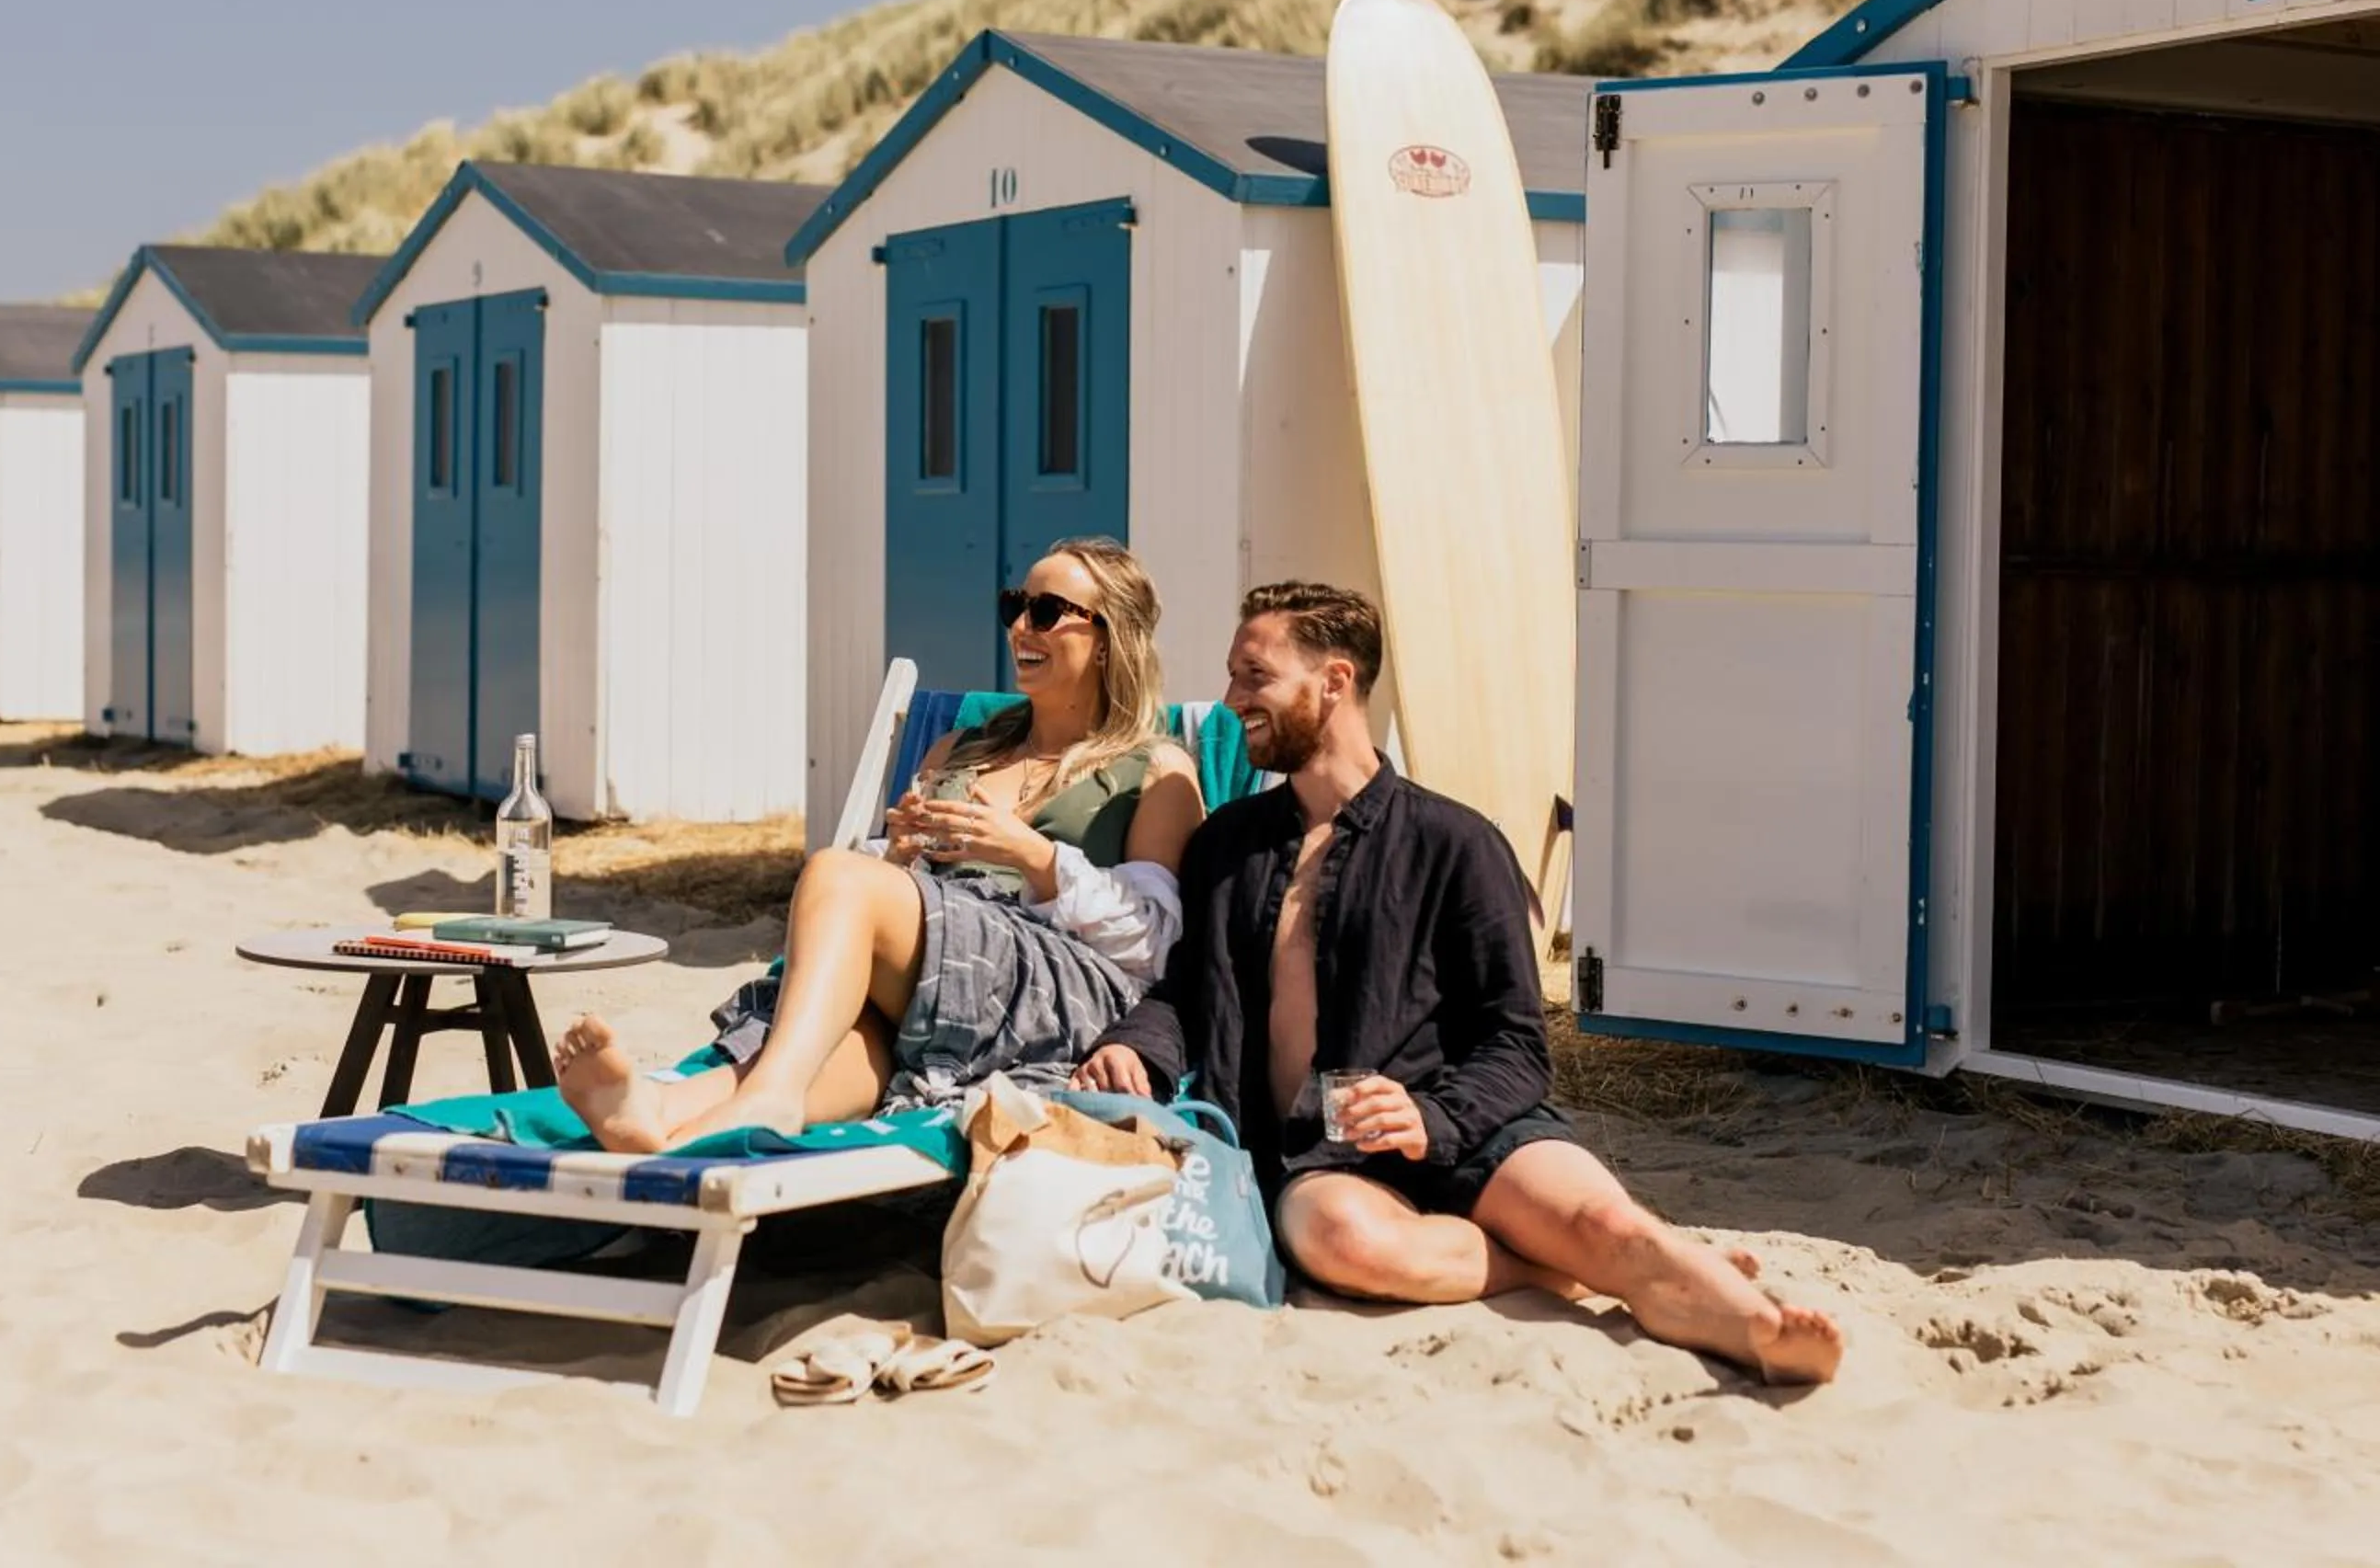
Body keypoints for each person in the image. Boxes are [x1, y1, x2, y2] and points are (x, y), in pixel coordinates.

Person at [1073, 581, 1844, 1385]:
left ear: (1334, 682)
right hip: (1322, 1156)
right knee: (1345, 1245)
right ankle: (1561, 1272)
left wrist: (1430, 1116)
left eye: (1254, 676)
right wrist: (1136, 1047)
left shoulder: (1456, 842)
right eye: (1234, 676)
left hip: (1469, 1121)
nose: (1232, 700)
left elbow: (1518, 1044)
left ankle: (1754, 1327)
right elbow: (1189, 990)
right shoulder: (1227, 845)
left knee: (1606, 1221)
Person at [555, 537, 1207, 1152]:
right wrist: (898, 856)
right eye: (1015, 606)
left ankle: (769, 1098)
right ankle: (664, 1112)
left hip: (1062, 991)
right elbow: (899, 890)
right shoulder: (960, 748)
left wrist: (1035, 857)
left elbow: (1156, 947)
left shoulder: (1153, 769)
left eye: (1045, 612)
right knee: (856, 1029)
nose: (1020, 628)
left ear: (1108, 639)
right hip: (945, 977)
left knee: (837, 873)